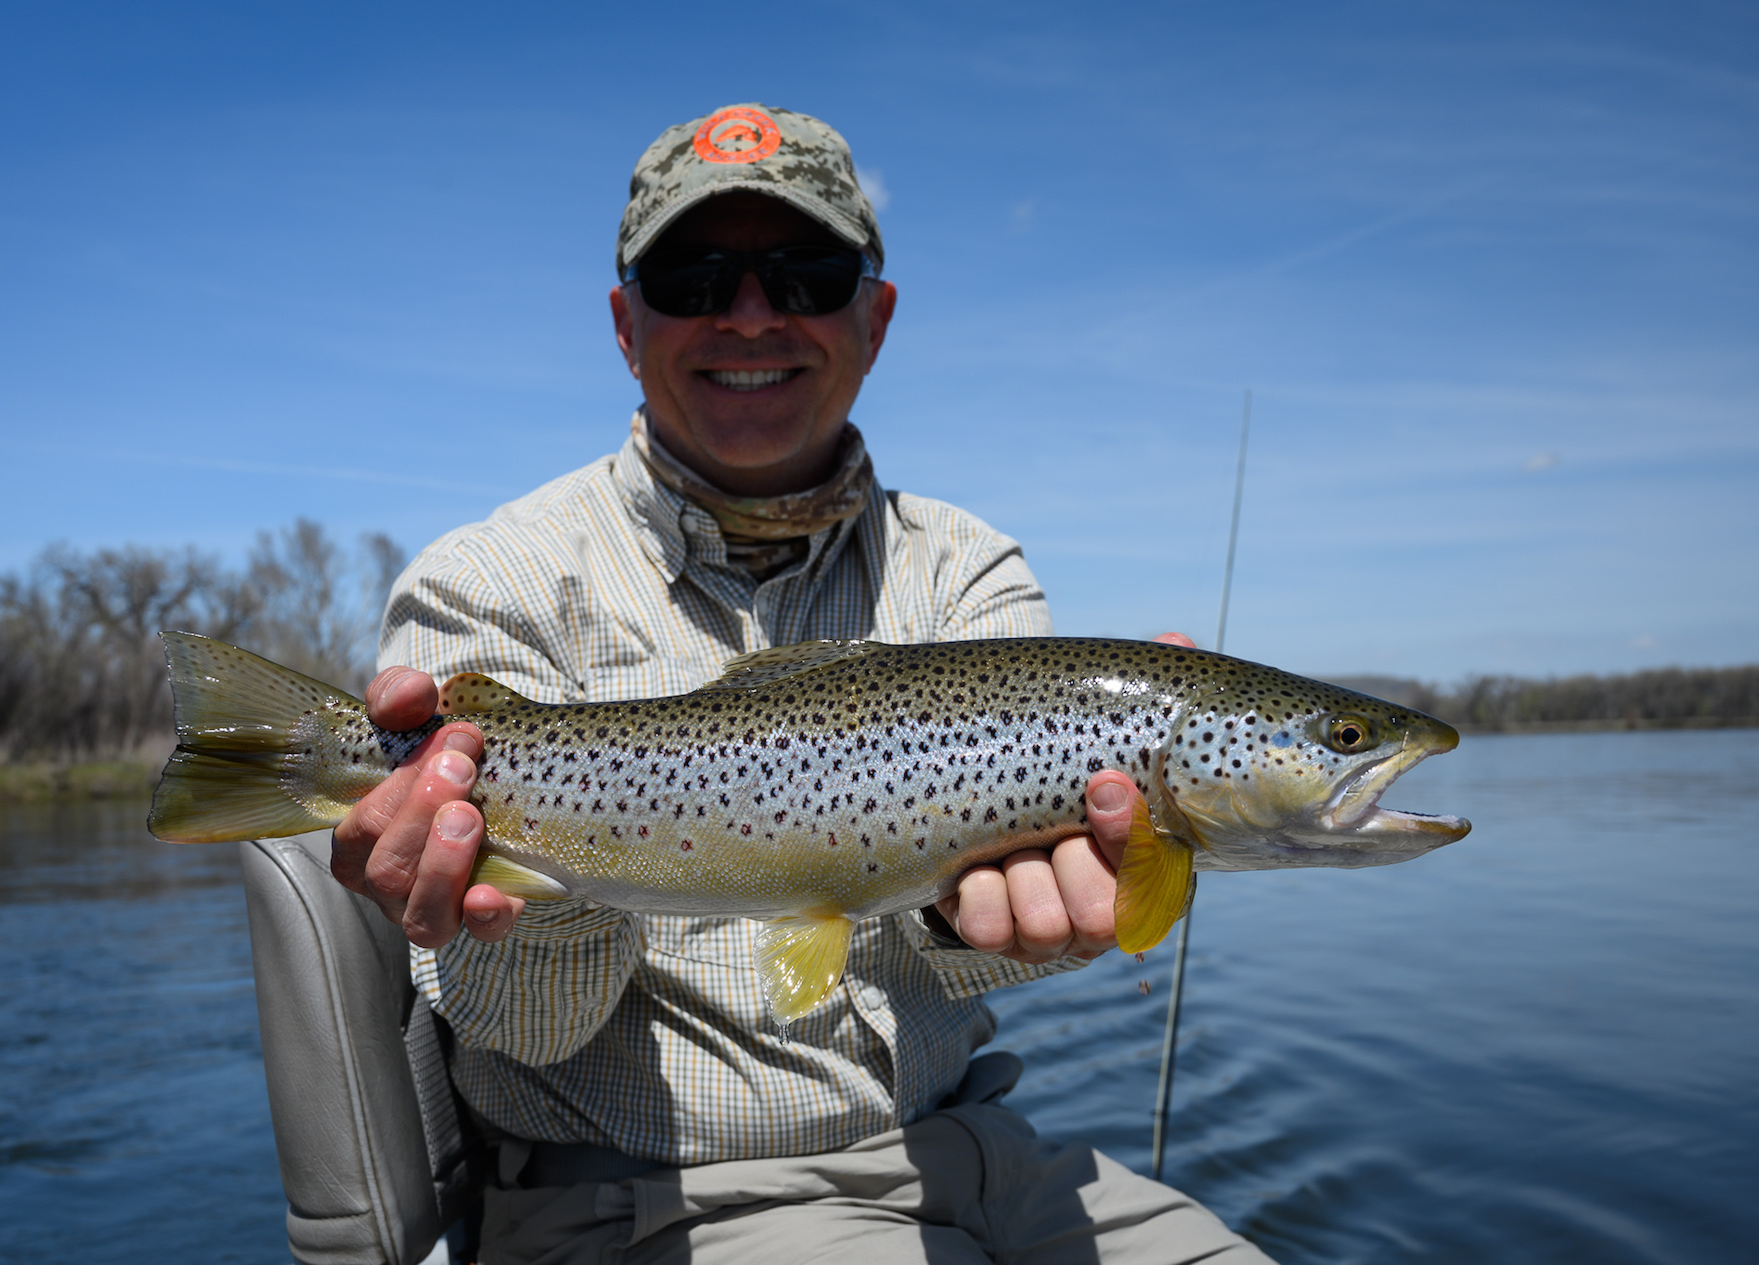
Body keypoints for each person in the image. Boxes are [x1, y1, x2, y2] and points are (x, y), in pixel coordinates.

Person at [332, 103, 1273, 1264]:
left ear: (872, 320)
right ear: (626, 325)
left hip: (981, 1151)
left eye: (806, 272)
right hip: (651, 1203)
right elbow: (527, 1027)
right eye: (693, 276)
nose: (750, 313)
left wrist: (1019, 914)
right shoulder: (491, 582)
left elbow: (988, 928)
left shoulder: (964, 565)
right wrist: (535, 872)